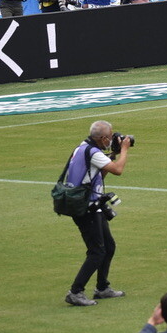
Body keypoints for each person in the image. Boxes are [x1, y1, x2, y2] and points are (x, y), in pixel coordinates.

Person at [63, 120, 131, 306]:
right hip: (87, 209)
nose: (112, 140)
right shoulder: (93, 152)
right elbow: (118, 170)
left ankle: (102, 288)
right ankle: (75, 292)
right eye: (110, 137)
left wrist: (112, 155)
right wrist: (124, 150)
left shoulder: (83, 148)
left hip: (92, 205)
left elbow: (97, 175)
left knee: (108, 246)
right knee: (97, 252)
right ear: (103, 138)